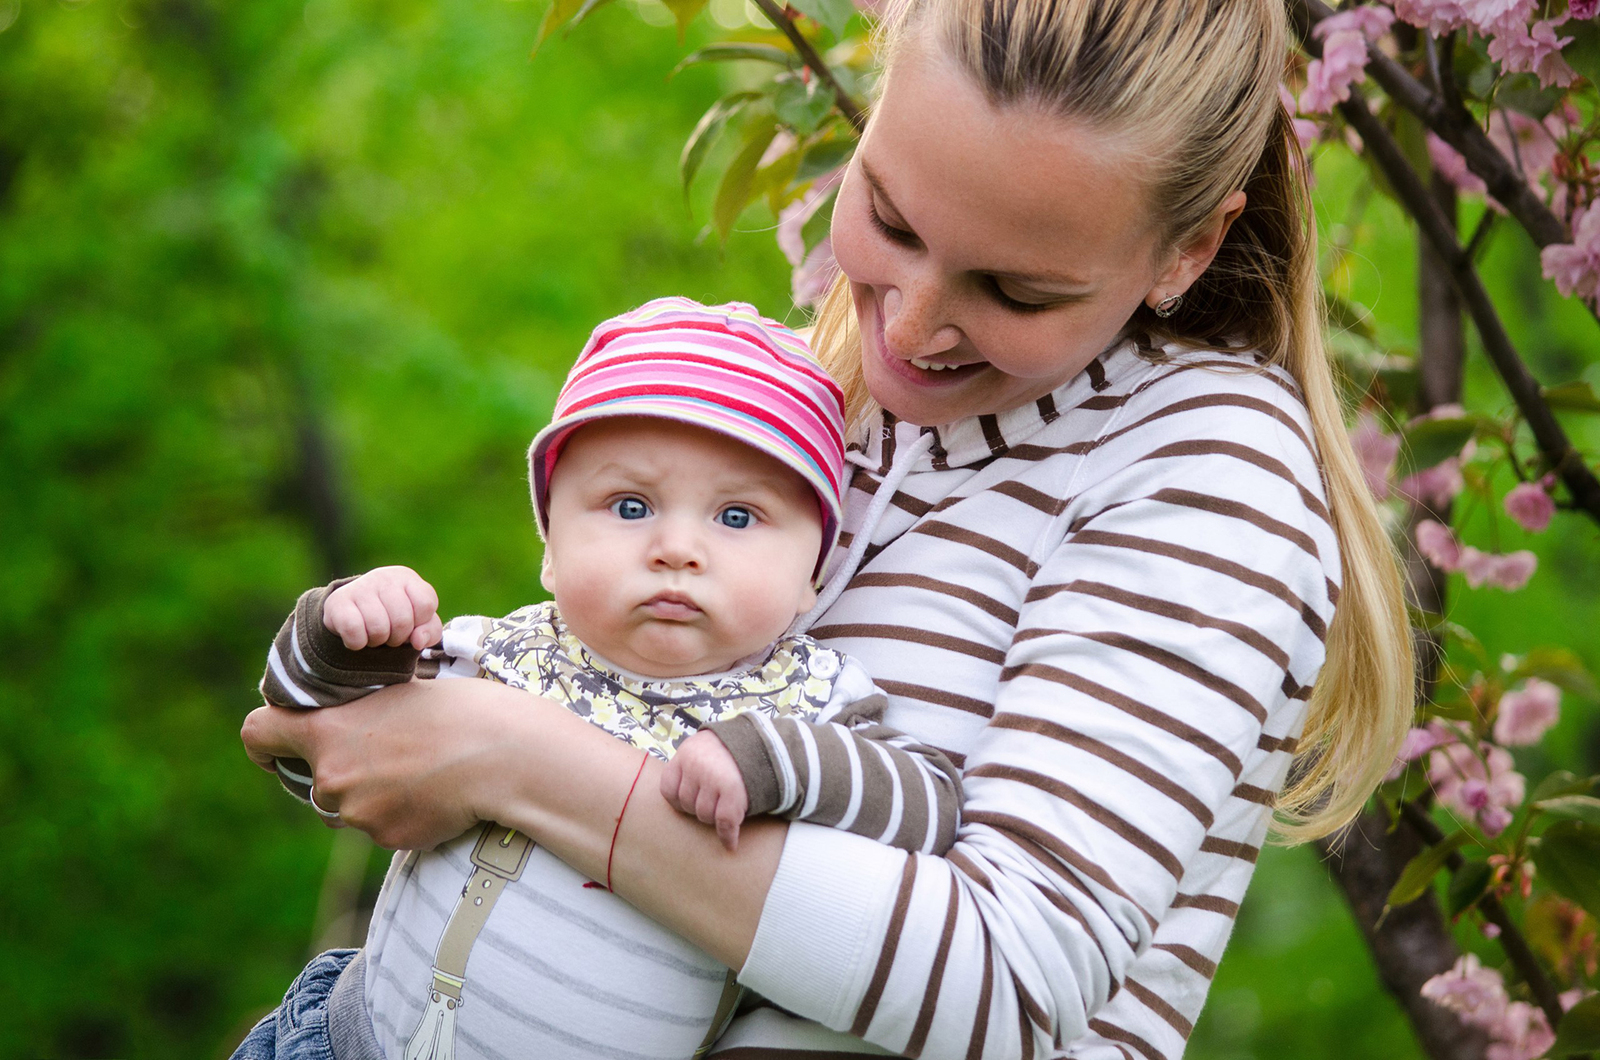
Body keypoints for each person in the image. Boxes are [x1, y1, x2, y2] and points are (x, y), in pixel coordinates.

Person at [241, 0, 1416, 1056]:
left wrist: (504, 756)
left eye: (1014, 291)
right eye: (890, 218)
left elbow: (1009, 975)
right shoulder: (837, 410)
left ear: (1189, 249)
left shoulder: (1209, 461)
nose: (911, 321)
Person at [235, 298, 963, 1060]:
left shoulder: (811, 702)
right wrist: (347, 633)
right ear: (550, 549)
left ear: (813, 574)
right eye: (630, 505)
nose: (677, 547)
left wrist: (770, 762)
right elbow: (314, 759)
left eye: (738, 517)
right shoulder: (496, 656)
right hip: (344, 1042)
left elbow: (927, 808)